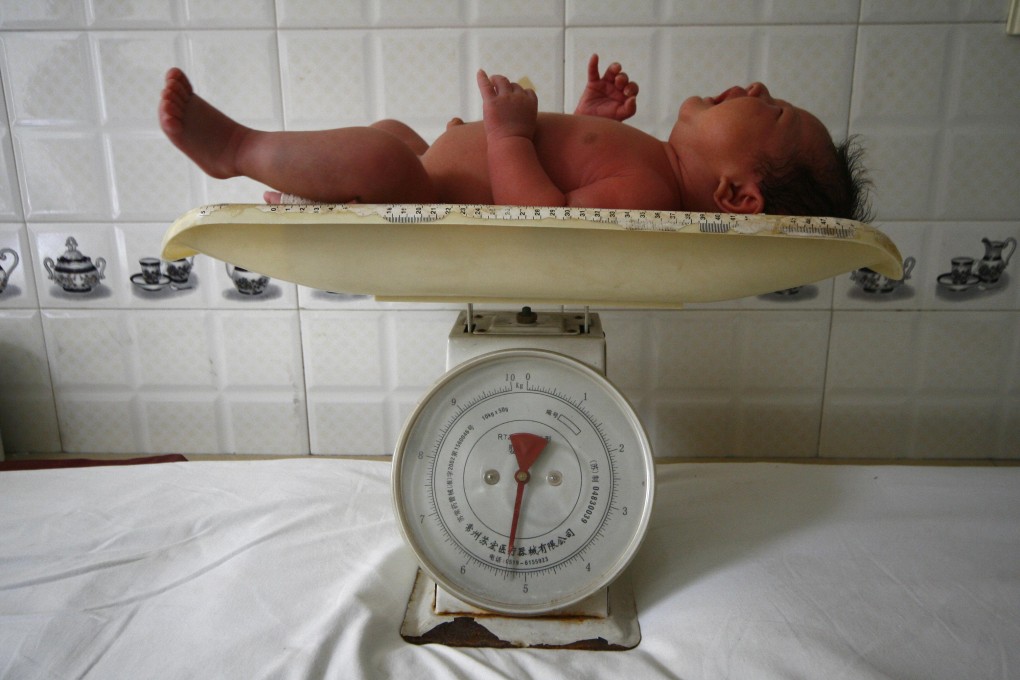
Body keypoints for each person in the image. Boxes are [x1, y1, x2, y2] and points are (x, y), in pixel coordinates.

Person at [159, 54, 869, 220]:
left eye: (772, 112)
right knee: (391, 135)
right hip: (428, 164)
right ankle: (317, 186)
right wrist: (587, 121)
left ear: (737, 194)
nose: (754, 90)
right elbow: (567, 174)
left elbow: (544, 219)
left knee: (379, 155)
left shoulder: (650, 191)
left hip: (428, 191)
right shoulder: (649, 158)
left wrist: (505, 135)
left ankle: (237, 151)